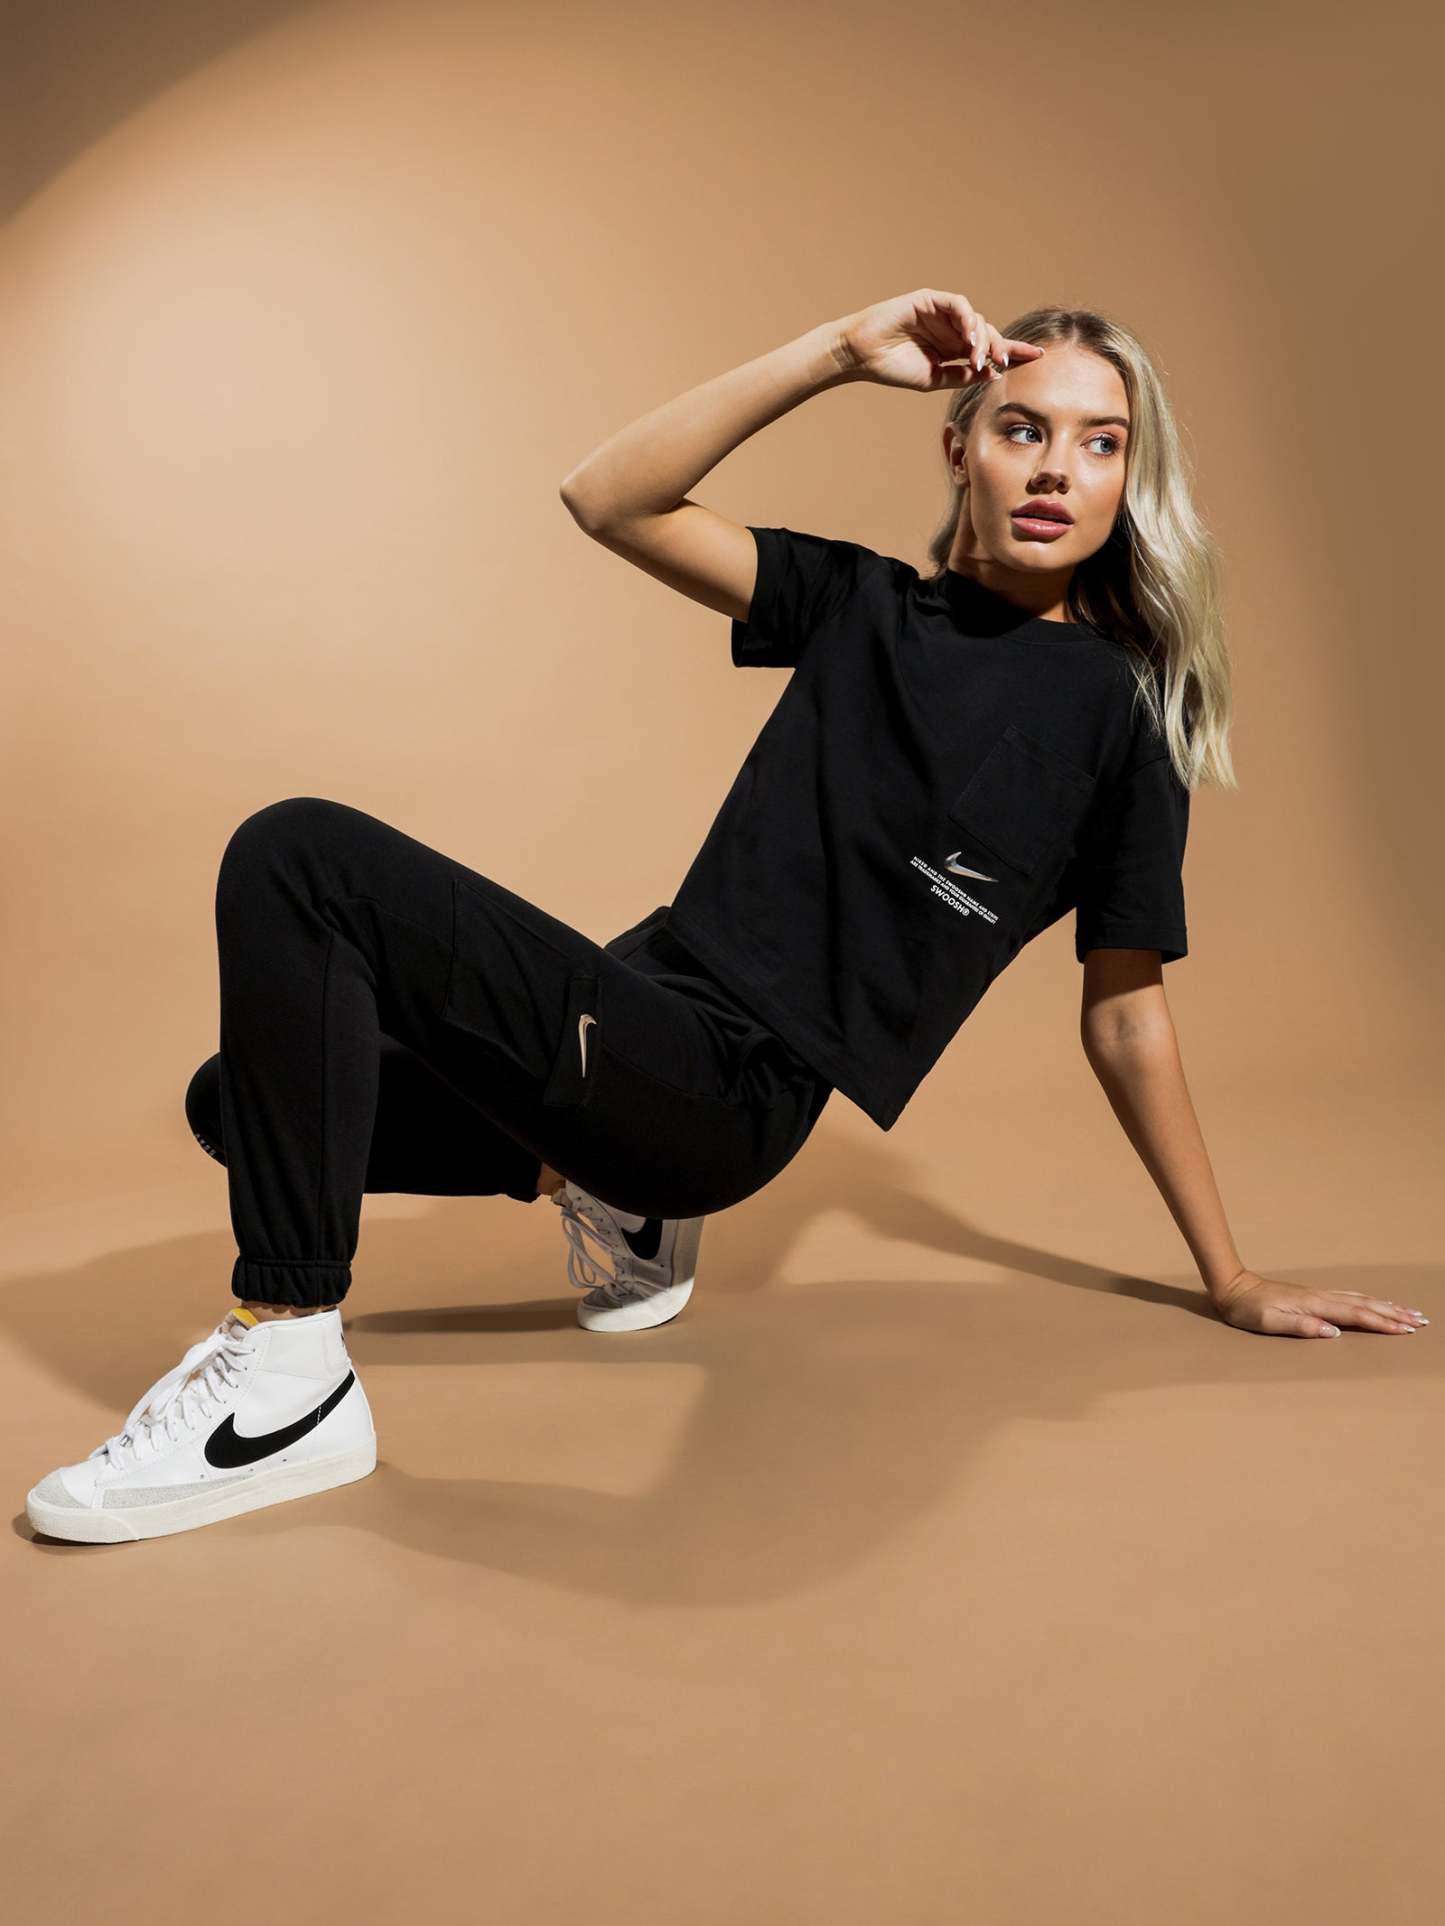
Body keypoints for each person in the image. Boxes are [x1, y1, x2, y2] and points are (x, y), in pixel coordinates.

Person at [27, 287, 1427, 1545]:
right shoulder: (861, 606)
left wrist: (1230, 1274)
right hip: (643, 1002)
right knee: (240, 1103)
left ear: (1132, 476)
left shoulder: (1120, 719)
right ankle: (606, 1196)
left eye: (1101, 442)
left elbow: (1123, 1014)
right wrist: (835, 353)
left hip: (724, 1098)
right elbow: (608, 498)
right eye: (1022, 428)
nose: (1058, 467)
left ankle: (284, 1378)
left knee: (299, 856)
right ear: (960, 448)